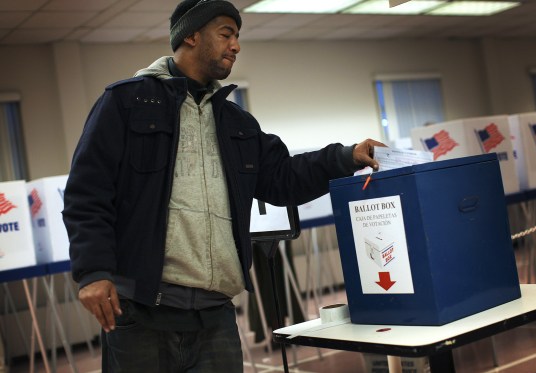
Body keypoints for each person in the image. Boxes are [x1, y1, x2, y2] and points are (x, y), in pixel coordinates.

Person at [62, 0, 385, 371]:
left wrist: (345, 157)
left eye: (237, 36)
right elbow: (88, 192)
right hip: (142, 312)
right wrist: (92, 271)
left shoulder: (236, 121)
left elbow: (282, 178)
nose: (236, 45)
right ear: (191, 36)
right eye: (226, 34)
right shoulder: (127, 102)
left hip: (215, 315)